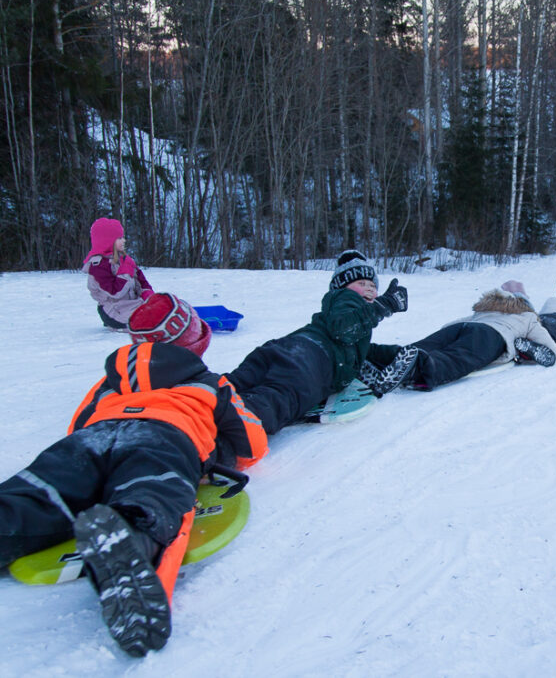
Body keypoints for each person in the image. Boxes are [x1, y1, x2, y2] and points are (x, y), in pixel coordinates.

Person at [0, 293, 268, 657]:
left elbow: (76, 425)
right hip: (164, 438)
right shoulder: (211, 383)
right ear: (194, 340)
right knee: (153, 492)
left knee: (42, 487)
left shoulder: (110, 381)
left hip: (90, 439)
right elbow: (253, 445)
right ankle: (130, 538)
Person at [227, 250, 408, 426]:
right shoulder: (348, 299)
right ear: (341, 288)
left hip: (285, 348)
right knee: (271, 401)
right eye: (361, 283)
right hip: (310, 360)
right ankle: (218, 431)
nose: (369, 288)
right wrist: (383, 305)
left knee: (230, 385)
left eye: (373, 286)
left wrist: (398, 353)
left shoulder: (349, 316)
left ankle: (203, 396)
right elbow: (344, 330)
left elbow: (362, 347)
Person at [363, 280, 556, 393]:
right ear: (525, 302)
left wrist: (444, 335)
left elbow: (453, 324)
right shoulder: (527, 316)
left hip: (465, 326)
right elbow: (551, 350)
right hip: (492, 336)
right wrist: (526, 348)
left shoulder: (485, 309)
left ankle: (373, 354)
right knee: (455, 358)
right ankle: (416, 369)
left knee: (420, 347)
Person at [83, 217, 155, 329]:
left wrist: (147, 293)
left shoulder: (123, 260)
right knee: (153, 318)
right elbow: (115, 292)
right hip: (113, 311)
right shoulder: (98, 266)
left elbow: (140, 280)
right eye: (119, 238)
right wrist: (125, 273)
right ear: (107, 241)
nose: (124, 241)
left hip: (130, 305)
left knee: (160, 307)